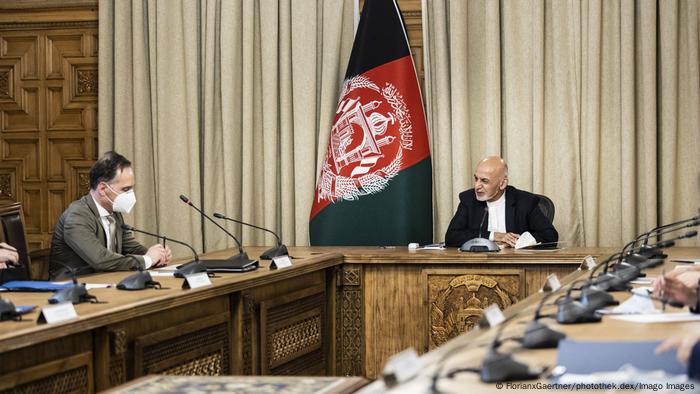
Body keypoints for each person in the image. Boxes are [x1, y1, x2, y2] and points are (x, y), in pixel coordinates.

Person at [49, 151, 171, 280]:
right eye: (125, 189)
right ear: (103, 189)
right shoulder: (77, 216)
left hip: (105, 282)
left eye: (131, 188)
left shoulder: (114, 211)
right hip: (71, 289)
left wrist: (157, 255)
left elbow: (129, 246)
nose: (130, 194)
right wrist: (147, 259)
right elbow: (100, 259)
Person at [444, 156, 558, 248]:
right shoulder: (468, 199)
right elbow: (452, 237)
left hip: (515, 264)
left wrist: (519, 241)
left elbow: (550, 236)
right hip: (478, 264)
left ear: (502, 184)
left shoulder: (524, 201)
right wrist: (494, 236)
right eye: (476, 179)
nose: (477, 186)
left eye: (484, 181)